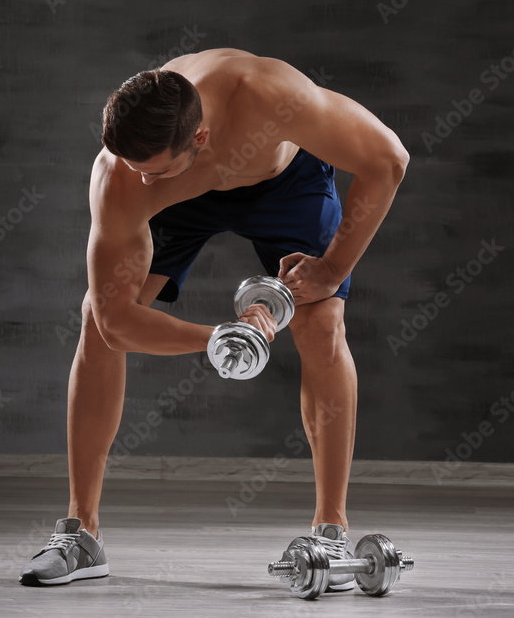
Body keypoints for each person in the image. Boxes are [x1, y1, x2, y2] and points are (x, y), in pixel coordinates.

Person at [20, 48, 409, 590]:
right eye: (132, 166)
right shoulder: (124, 176)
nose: (138, 180)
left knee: (321, 328)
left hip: (284, 185)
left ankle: (330, 531)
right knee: (94, 322)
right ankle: (81, 534)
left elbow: (388, 159)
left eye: (147, 169)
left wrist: (333, 267)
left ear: (199, 138)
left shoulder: (270, 96)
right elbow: (116, 321)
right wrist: (220, 338)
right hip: (188, 198)